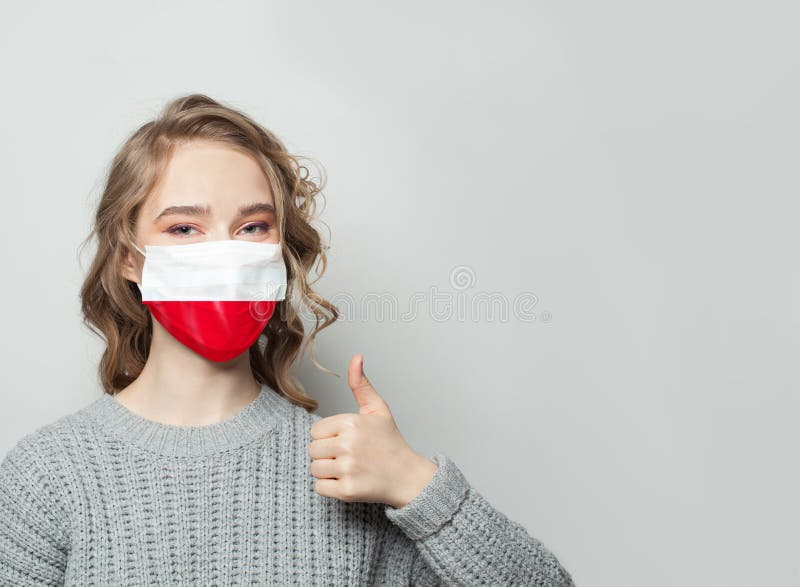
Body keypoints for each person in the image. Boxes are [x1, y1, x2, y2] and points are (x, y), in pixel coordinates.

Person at [0, 94, 575, 585]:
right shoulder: (49, 474)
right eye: (183, 228)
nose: (225, 253)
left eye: (253, 226)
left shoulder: (348, 468)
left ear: (279, 253)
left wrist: (415, 485)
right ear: (129, 257)